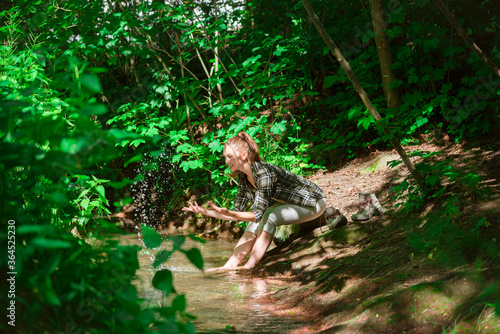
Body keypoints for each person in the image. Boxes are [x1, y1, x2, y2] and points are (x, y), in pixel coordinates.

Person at [182, 132, 327, 270]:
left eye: (230, 156)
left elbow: (256, 215)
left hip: (313, 202)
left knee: (269, 216)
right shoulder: (243, 178)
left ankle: (249, 266)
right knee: (259, 220)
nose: (226, 161)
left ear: (244, 155)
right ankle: (229, 266)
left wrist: (230, 213)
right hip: (288, 205)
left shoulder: (264, 173)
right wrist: (205, 212)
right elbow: (235, 214)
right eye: (225, 157)